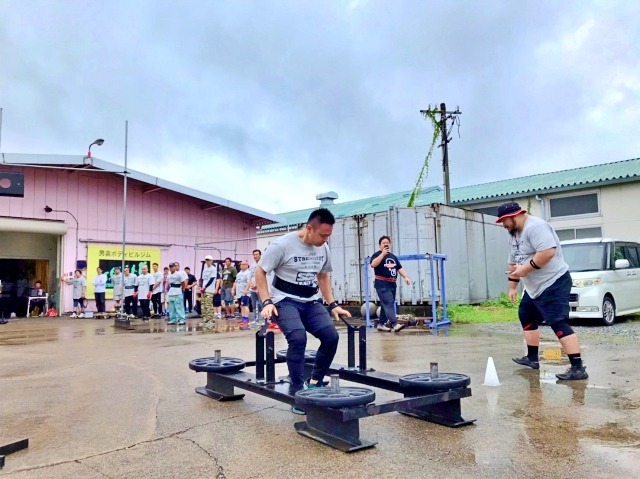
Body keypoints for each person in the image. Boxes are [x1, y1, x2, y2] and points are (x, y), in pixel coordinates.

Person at [255, 208, 351, 414]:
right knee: (298, 338)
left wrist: (333, 304)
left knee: (331, 337)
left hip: (311, 301)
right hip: (284, 300)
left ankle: (315, 382)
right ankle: (297, 391)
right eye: (323, 235)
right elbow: (260, 271)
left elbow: (323, 276)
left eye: (329, 235)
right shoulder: (282, 245)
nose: (326, 240)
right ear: (309, 228)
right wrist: (266, 302)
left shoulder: (323, 248)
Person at [496, 201, 588, 381]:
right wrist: (513, 287)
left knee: (558, 322)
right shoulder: (514, 235)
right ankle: (532, 358)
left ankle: (578, 368)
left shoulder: (536, 227)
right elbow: (513, 263)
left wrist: (526, 269)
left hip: (553, 282)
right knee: (526, 314)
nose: (503, 225)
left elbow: (547, 252)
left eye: (504, 221)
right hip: (533, 288)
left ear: (514, 216)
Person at [370, 236, 411, 332]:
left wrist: (406, 277)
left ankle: (381, 324)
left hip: (392, 284)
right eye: (383, 243)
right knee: (388, 303)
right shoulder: (377, 255)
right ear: (380, 245)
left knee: (387, 304)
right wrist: (382, 254)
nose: (386, 244)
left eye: (387, 242)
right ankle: (395, 324)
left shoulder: (393, 257)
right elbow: (373, 264)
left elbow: (399, 268)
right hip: (382, 284)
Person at [233, 260, 252, 329]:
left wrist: (246, 290)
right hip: (239, 292)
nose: (242, 265)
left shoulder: (248, 273)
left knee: (245, 305)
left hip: (245, 292)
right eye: (241, 264)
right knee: (241, 305)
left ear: (247, 265)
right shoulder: (239, 274)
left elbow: (249, 282)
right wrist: (233, 289)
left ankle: (246, 318)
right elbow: (236, 282)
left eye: (244, 264)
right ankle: (243, 317)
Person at [200, 255, 217, 326]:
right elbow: (203, 279)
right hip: (204, 289)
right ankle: (206, 320)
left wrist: (205, 287)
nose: (207, 261)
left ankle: (211, 320)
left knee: (208, 305)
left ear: (211, 261)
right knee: (203, 305)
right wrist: (201, 287)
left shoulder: (213, 269)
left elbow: (211, 279)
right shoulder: (205, 269)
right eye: (206, 260)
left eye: (209, 260)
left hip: (209, 289)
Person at [248, 249, 263, 324]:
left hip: (260, 288)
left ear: (260, 255)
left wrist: (257, 285)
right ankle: (255, 319)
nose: (255, 256)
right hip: (252, 289)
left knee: (261, 304)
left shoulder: (262, 264)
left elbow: (263, 276)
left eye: (257, 254)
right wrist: (251, 284)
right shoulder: (252, 265)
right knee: (254, 305)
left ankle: (264, 320)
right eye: (254, 255)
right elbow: (250, 276)